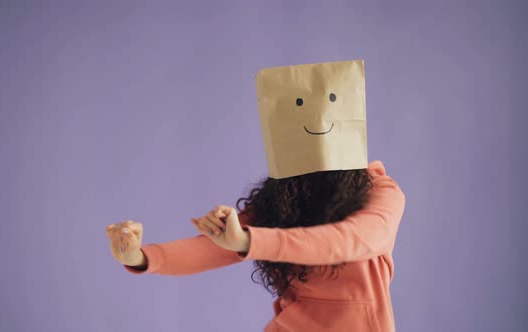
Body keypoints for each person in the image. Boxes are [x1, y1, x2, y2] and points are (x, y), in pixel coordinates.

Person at [105, 60, 406, 331]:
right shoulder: (282, 202)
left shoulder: (381, 191)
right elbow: (212, 249)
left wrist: (249, 241)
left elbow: (350, 240)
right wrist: (141, 256)